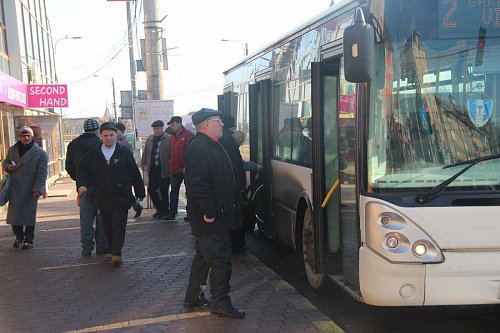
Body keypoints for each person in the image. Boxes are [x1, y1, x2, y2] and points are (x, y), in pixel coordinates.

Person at [183, 108, 245, 319]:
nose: (221, 125)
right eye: (218, 121)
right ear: (206, 125)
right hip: (211, 218)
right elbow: (198, 184)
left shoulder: (212, 145)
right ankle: (221, 302)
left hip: (217, 215)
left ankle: (193, 297)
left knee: (203, 258)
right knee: (219, 261)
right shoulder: (200, 147)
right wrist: (209, 211)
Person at [77, 122, 145, 266]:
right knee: (106, 225)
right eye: (105, 135)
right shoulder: (93, 152)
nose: (108, 138)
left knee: (118, 224)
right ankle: (110, 249)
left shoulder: (124, 152)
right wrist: (81, 185)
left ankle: (116, 253)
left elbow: (134, 172)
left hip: (121, 194)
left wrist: (140, 191)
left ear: (116, 135)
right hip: (102, 194)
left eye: (111, 135)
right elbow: (83, 170)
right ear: (100, 136)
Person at [66, 119, 109, 256]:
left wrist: (78, 180)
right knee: (102, 217)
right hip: (101, 186)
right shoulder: (101, 144)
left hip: (83, 187)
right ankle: (102, 245)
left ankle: (86, 247)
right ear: (97, 130)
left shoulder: (73, 145)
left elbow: (68, 167)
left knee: (86, 219)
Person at [2, 126, 48, 250]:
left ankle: (29, 240)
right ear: (19, 137)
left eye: (28, 135)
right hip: (15, 187)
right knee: (14, 217)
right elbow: (5, 161)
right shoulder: (13, 150)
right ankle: (19, 236)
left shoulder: (40, 153)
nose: (26, 137)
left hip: (30, 189)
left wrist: (38, 188)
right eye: (23, 135)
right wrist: (7, 167)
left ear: (32, 137)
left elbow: (42, 172)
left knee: (28, 216)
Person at [140, 120, 171, 220]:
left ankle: (165, 211)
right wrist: (143, 162)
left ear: (162, 128)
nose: (155, 131)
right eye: (154, 129)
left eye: (157, 128)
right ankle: (159, 209)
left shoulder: (169, 139)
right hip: (152, 169)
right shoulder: (150, 139)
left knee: (164, 192)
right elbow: (145, 151)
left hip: (164, 170)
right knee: (151, 190)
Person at [165, 116, 193, 221]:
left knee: (189, 192)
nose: (172, 127)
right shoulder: (172, 137)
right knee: (174, 191)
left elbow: (191, 153)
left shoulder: (188, 135)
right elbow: (171, 153)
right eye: (171, 125)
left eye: (173, 125)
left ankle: (190, 214)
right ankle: (172, 213)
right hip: (174, 169)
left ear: (179, 123)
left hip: (186, 169)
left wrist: (188, 166)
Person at [116, 122, 143, 218]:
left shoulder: (126, 143)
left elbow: (130, 158)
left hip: (125, 172)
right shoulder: (113, 141)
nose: (115, 132)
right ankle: (137, 207)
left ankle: (137, 207)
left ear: (122, 131)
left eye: (117, 130)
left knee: (127, 193)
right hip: (116, 173)